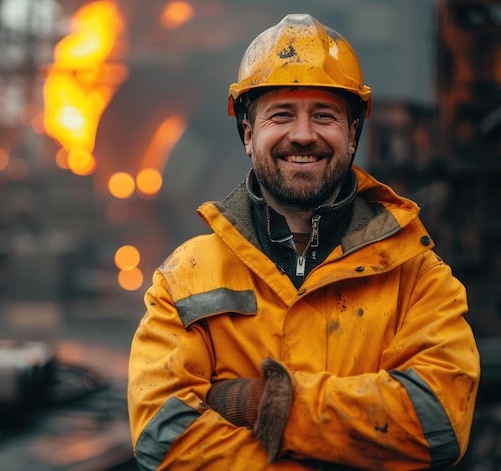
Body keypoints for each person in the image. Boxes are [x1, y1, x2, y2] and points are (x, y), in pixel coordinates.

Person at [127, 13, 480, 470]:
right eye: (281, 114)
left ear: (352, 135)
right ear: (249, 134)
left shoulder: (417, 275)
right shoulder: (185, 280)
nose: (303, 134)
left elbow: (438, 422)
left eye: (324, 115)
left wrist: (264, 403)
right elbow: (162, 438)